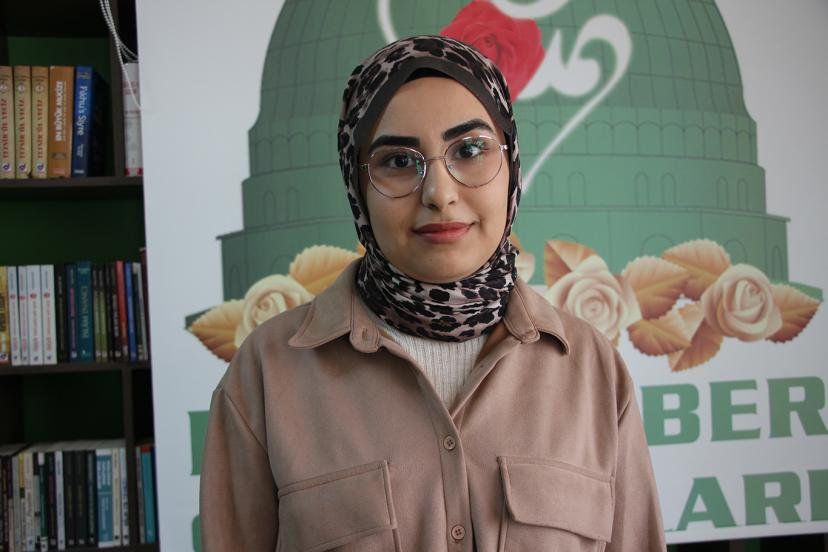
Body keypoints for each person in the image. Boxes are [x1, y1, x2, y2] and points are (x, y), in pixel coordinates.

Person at [200, 35, 666, 551]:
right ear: (357, 187)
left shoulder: (591, 370)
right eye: (398, 161)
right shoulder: (265, 375)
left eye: (469, 150)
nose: (439, 193)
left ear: (511, 165)